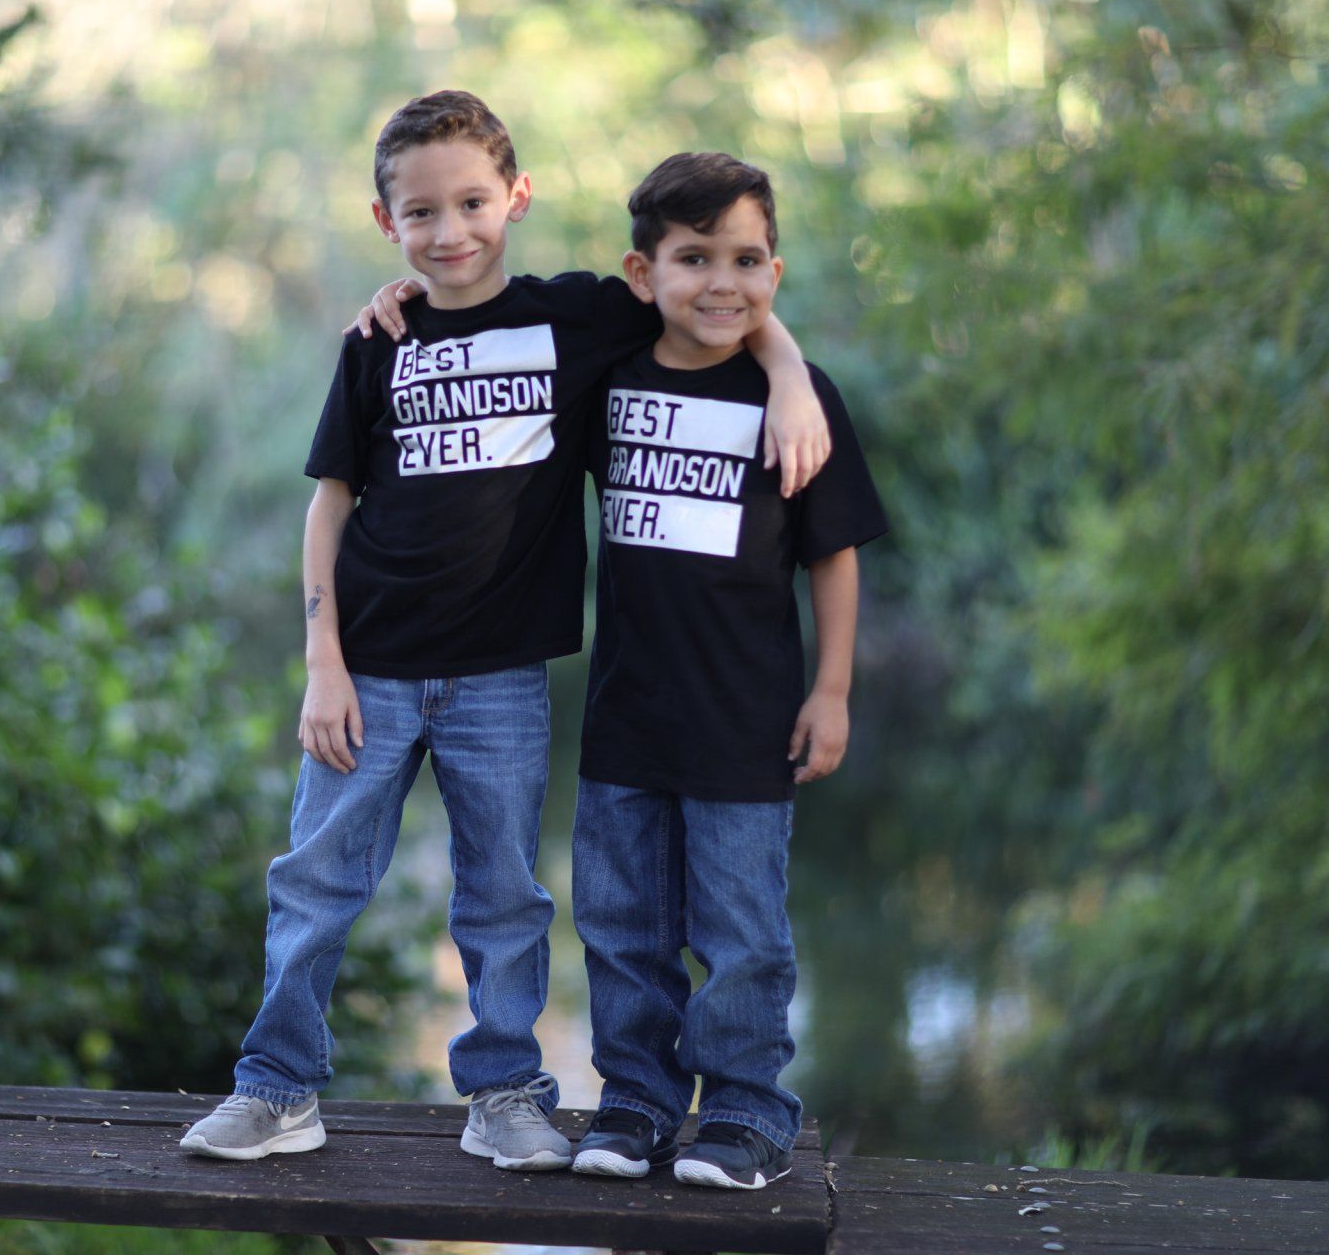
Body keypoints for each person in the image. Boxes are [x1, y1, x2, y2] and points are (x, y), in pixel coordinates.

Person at [181, 94, 831, 1170]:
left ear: (515, 199)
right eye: (423, 211)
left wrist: (790, 370)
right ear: (386, 221)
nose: (451, 231)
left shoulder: (577, 318)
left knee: (503, 897)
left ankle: (505, 1093)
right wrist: (322, 662)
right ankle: (278, 1086)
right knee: (316, 880)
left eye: (473, 202)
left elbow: (715, 291)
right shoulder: (376, 340)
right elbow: (330, 503)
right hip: (371, 670)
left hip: (499, 678)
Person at [567, 152, 888, 1190]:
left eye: (747, 260)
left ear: (776, 272)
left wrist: (831, 689)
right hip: (626, 714)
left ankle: (747, 1110)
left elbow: (832, 554)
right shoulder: (608, 378)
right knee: (621, 927)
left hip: (746, 719)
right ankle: (637, 1100)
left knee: (743, 934)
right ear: (642, 270)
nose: (722, 282)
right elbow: (495, 321)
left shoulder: (795, 398)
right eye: (693, 257)